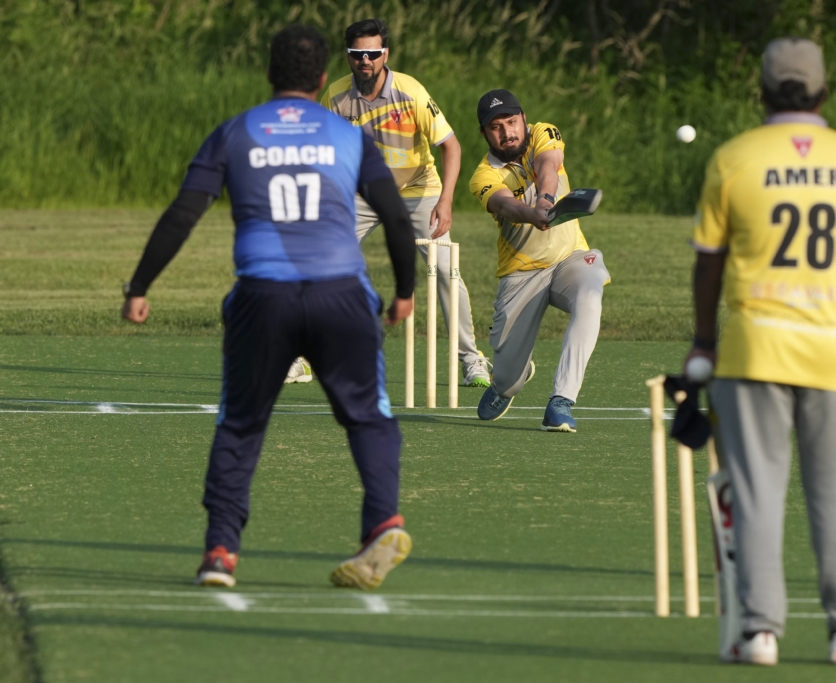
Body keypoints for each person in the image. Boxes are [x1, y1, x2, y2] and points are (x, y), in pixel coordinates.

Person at [121, 24, 417, 591]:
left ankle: (221, 553)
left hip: (264, 296)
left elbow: (184, 213)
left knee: (241, 423)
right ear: (320, 76)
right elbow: (397, 218)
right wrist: (405, 291)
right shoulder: (348, 134)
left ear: (269, 74)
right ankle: (383, 522)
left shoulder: (238, 131)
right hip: (342, 295)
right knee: (368, 416)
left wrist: (139, 285)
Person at [687, 37, 836, 665]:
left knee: (756, 494)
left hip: (753, 351)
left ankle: (758, 633)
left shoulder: (734, 157)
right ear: (824, 91)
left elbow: (708, 265)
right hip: (833, 352)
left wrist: (703, 340)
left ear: (763, 92)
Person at [316, 17, 491, 388]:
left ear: (385, 54)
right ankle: (303, 355)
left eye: (373, 53)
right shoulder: (335, 96)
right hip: (363, 194)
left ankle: (471, 359)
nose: (366, 61)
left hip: (418, 192)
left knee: (446, 270)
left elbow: (451, 146)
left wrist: (445, 201)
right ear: (348, 56)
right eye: (358, 54)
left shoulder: (410, 92)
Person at [468, 90, 610, 432]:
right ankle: (508, 382)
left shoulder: (543, 132)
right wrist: (533, 214)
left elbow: (549, 164)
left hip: (569, 259)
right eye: (496, 127)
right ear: (485, 133)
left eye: (513, 122)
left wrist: (545, 200)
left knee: (591, 294)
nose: (507, 133)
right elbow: (505, 206)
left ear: (524, 119)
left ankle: (561, 401)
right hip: (521, 275)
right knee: (506, 380)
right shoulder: (483, 176)